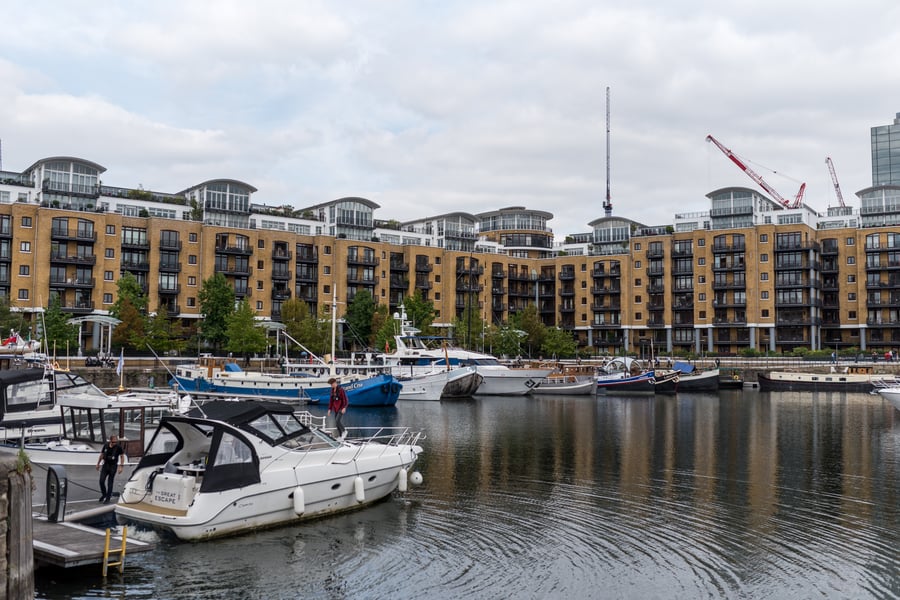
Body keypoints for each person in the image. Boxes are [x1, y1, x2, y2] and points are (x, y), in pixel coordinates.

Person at [96, 434, 125, 503]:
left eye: (116, 442)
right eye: (113, 442)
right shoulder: (106, 445)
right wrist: (98, 463)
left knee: (110, 482)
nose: (115, 443)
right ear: (110, 441)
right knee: (101, 481)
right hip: (105, 465)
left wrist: (121, 466)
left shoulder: (118, 447)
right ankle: (104, 494)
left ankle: (108, 498)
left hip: (113, 466)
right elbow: (102, 454)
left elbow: (122, 456)